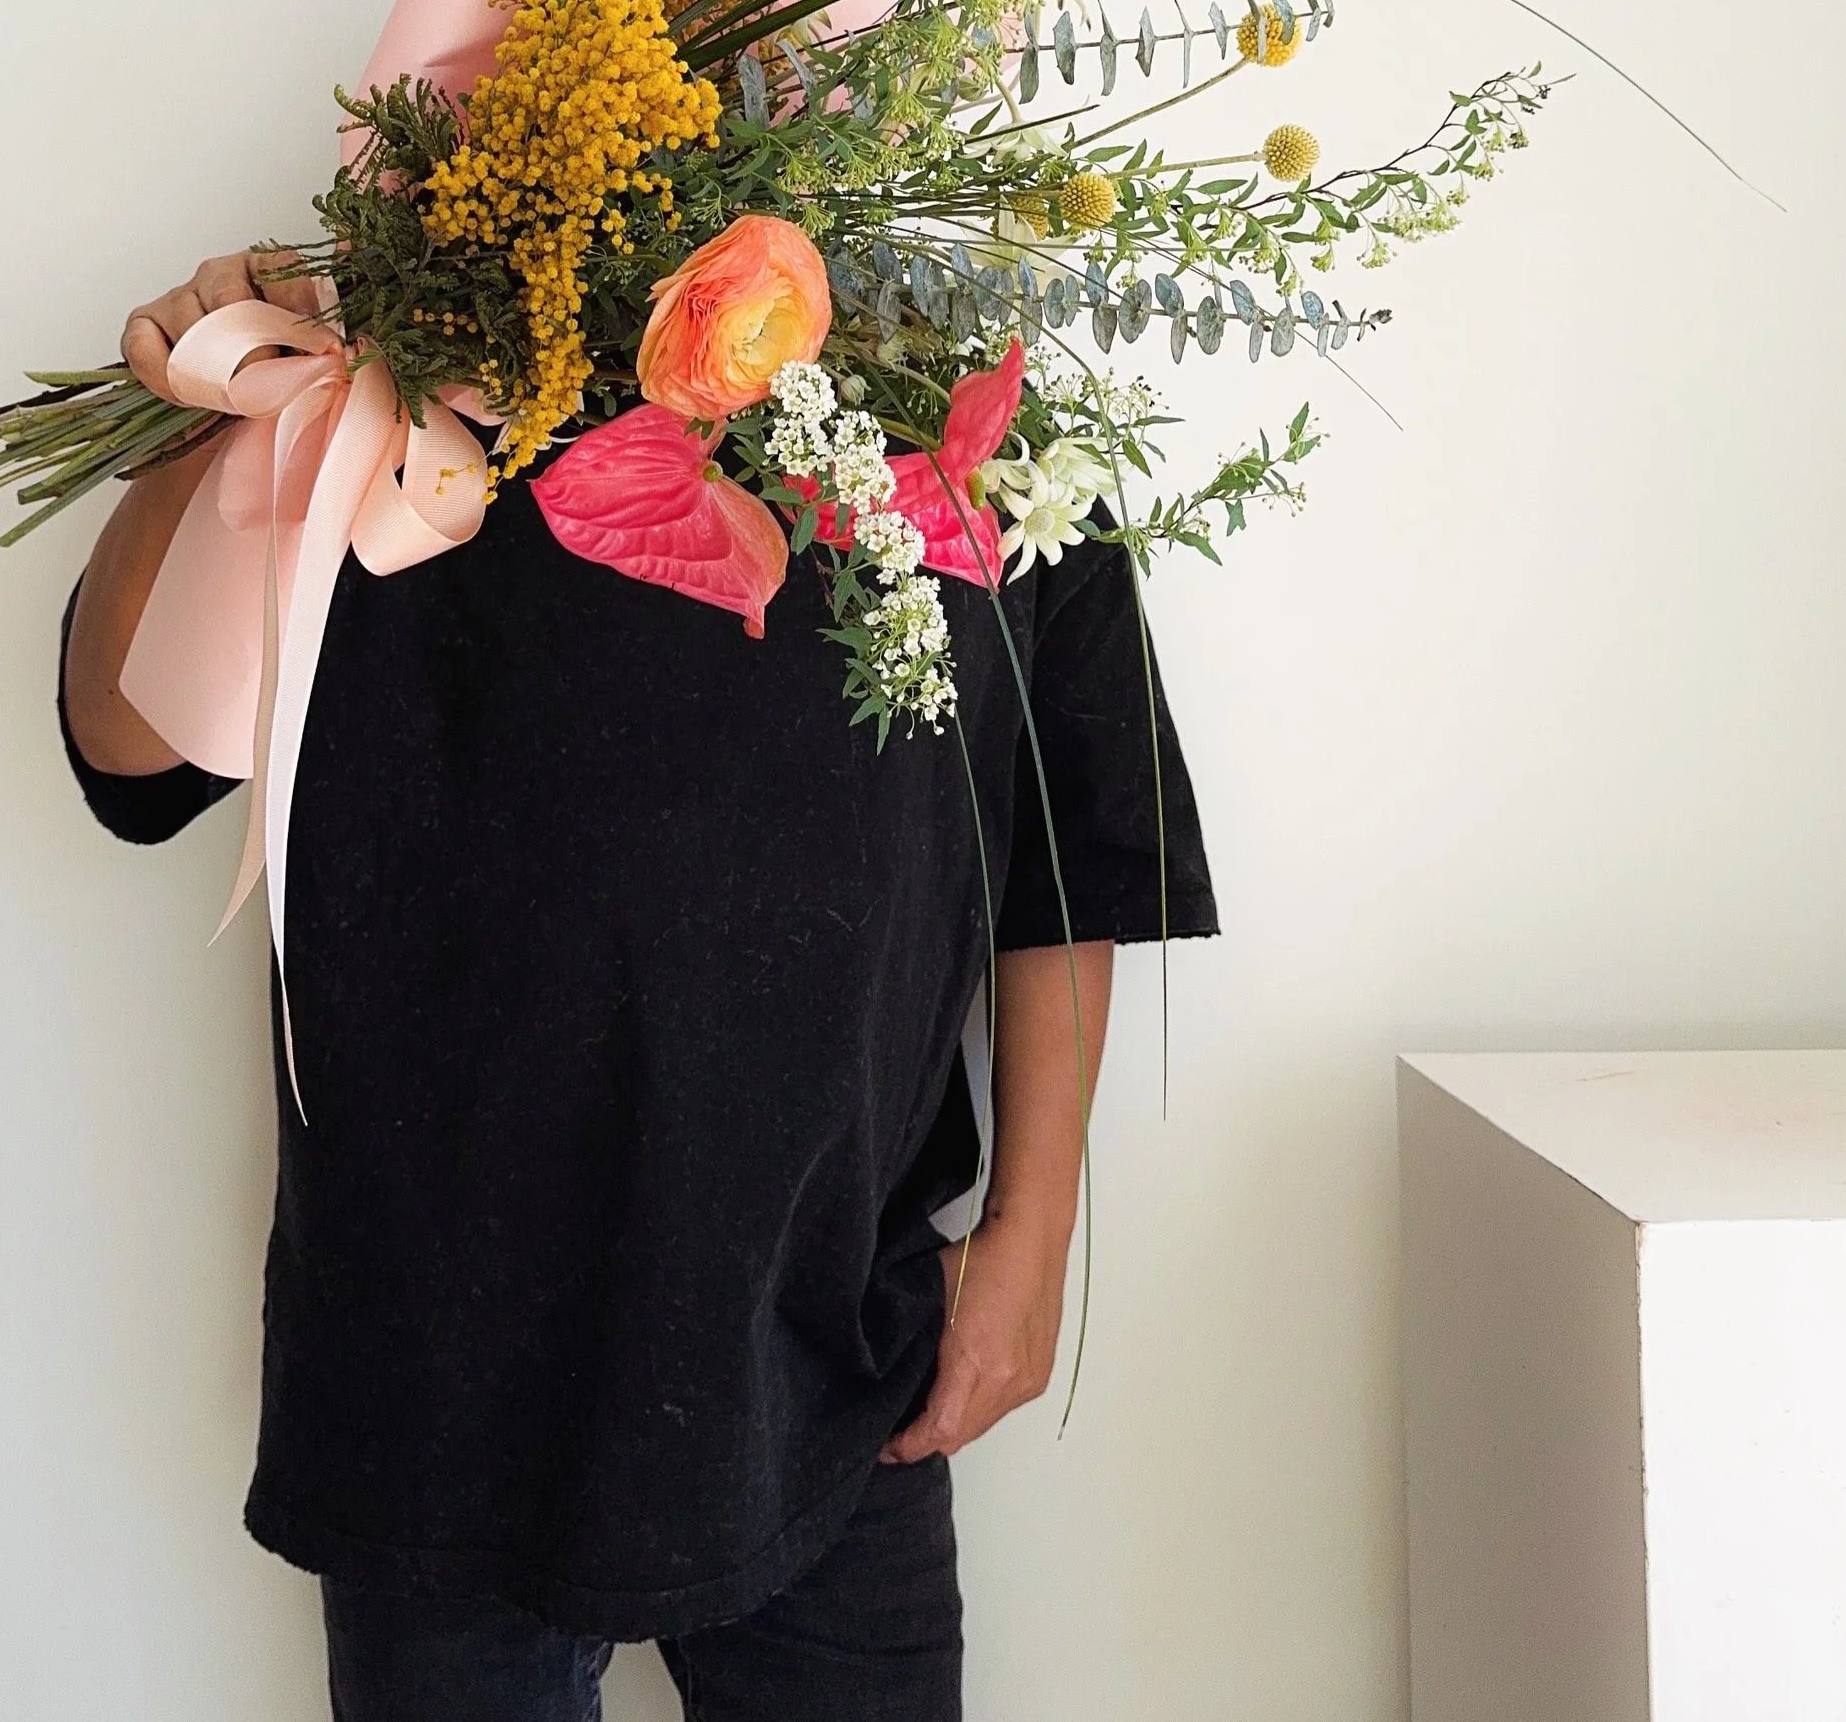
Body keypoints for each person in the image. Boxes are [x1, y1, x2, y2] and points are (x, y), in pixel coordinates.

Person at [59, 250, 1217, 1722]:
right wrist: (207, 408)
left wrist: (1032, 1243)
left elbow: (1072, 863)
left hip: (837, 1344)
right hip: (434, 1363)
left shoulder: (971, 404)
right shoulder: (383, 376)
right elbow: (129, 752)